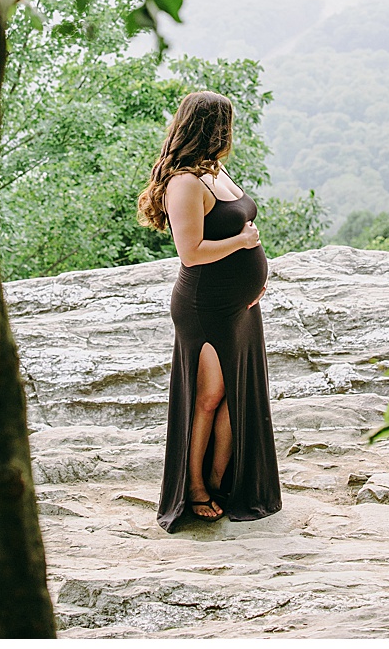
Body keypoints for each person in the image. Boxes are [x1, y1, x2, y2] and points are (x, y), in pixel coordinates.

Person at [137, 90, 282, 529]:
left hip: (237, 304)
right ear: (213, 126)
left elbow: (238, 222)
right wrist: (242, 245)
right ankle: (194, 488)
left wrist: (257, 276)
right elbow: (191, 252)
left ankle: (223, 482)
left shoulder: (214, 171)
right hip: (206, 306)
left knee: (233, 399)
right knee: (209, 398)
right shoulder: (183, 182)